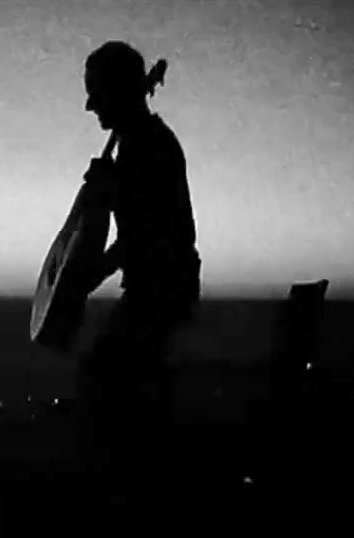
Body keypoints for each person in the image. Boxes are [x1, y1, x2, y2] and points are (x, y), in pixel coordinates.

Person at [74, 42, 202, 479]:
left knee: (110, 381)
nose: (90, 105)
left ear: (117, 91)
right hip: (158, 287)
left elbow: (143, 236)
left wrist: (91, 273)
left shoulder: (146, 147)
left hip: (161, 291)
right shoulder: (140, 143)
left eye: (96, 93)